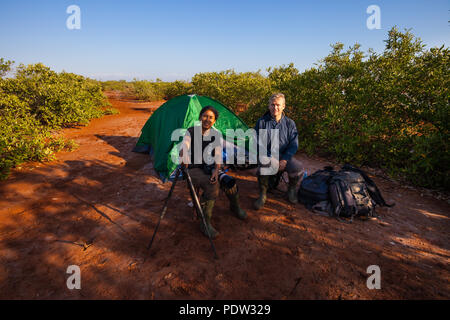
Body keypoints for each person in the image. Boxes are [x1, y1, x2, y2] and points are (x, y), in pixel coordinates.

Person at [179, 106, 246, 239]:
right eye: (205, 116)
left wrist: (217, 169)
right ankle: (205, 222)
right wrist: (184, 153)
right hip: (192, 169)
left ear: (214, 121)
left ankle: (235, 207)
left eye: (211, 117)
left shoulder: (215, 134)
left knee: (229, 182)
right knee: (212, 185)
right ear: (200, 117)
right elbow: (184, 146)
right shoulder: (191, 131)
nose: (207, 119)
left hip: (209, 167)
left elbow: (218, 154)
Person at [253, 93, 303, 210]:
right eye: (272, 105)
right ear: (269, 106)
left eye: (278, 105)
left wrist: (285, 159)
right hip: (268, 156)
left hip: (285, 157)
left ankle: (291, 190)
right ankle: (263, 194)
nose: (275, 108)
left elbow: (294, 144)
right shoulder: (262, 122)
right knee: (263, 167)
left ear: (283, 106)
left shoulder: (290, 124)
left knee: (297, 166)